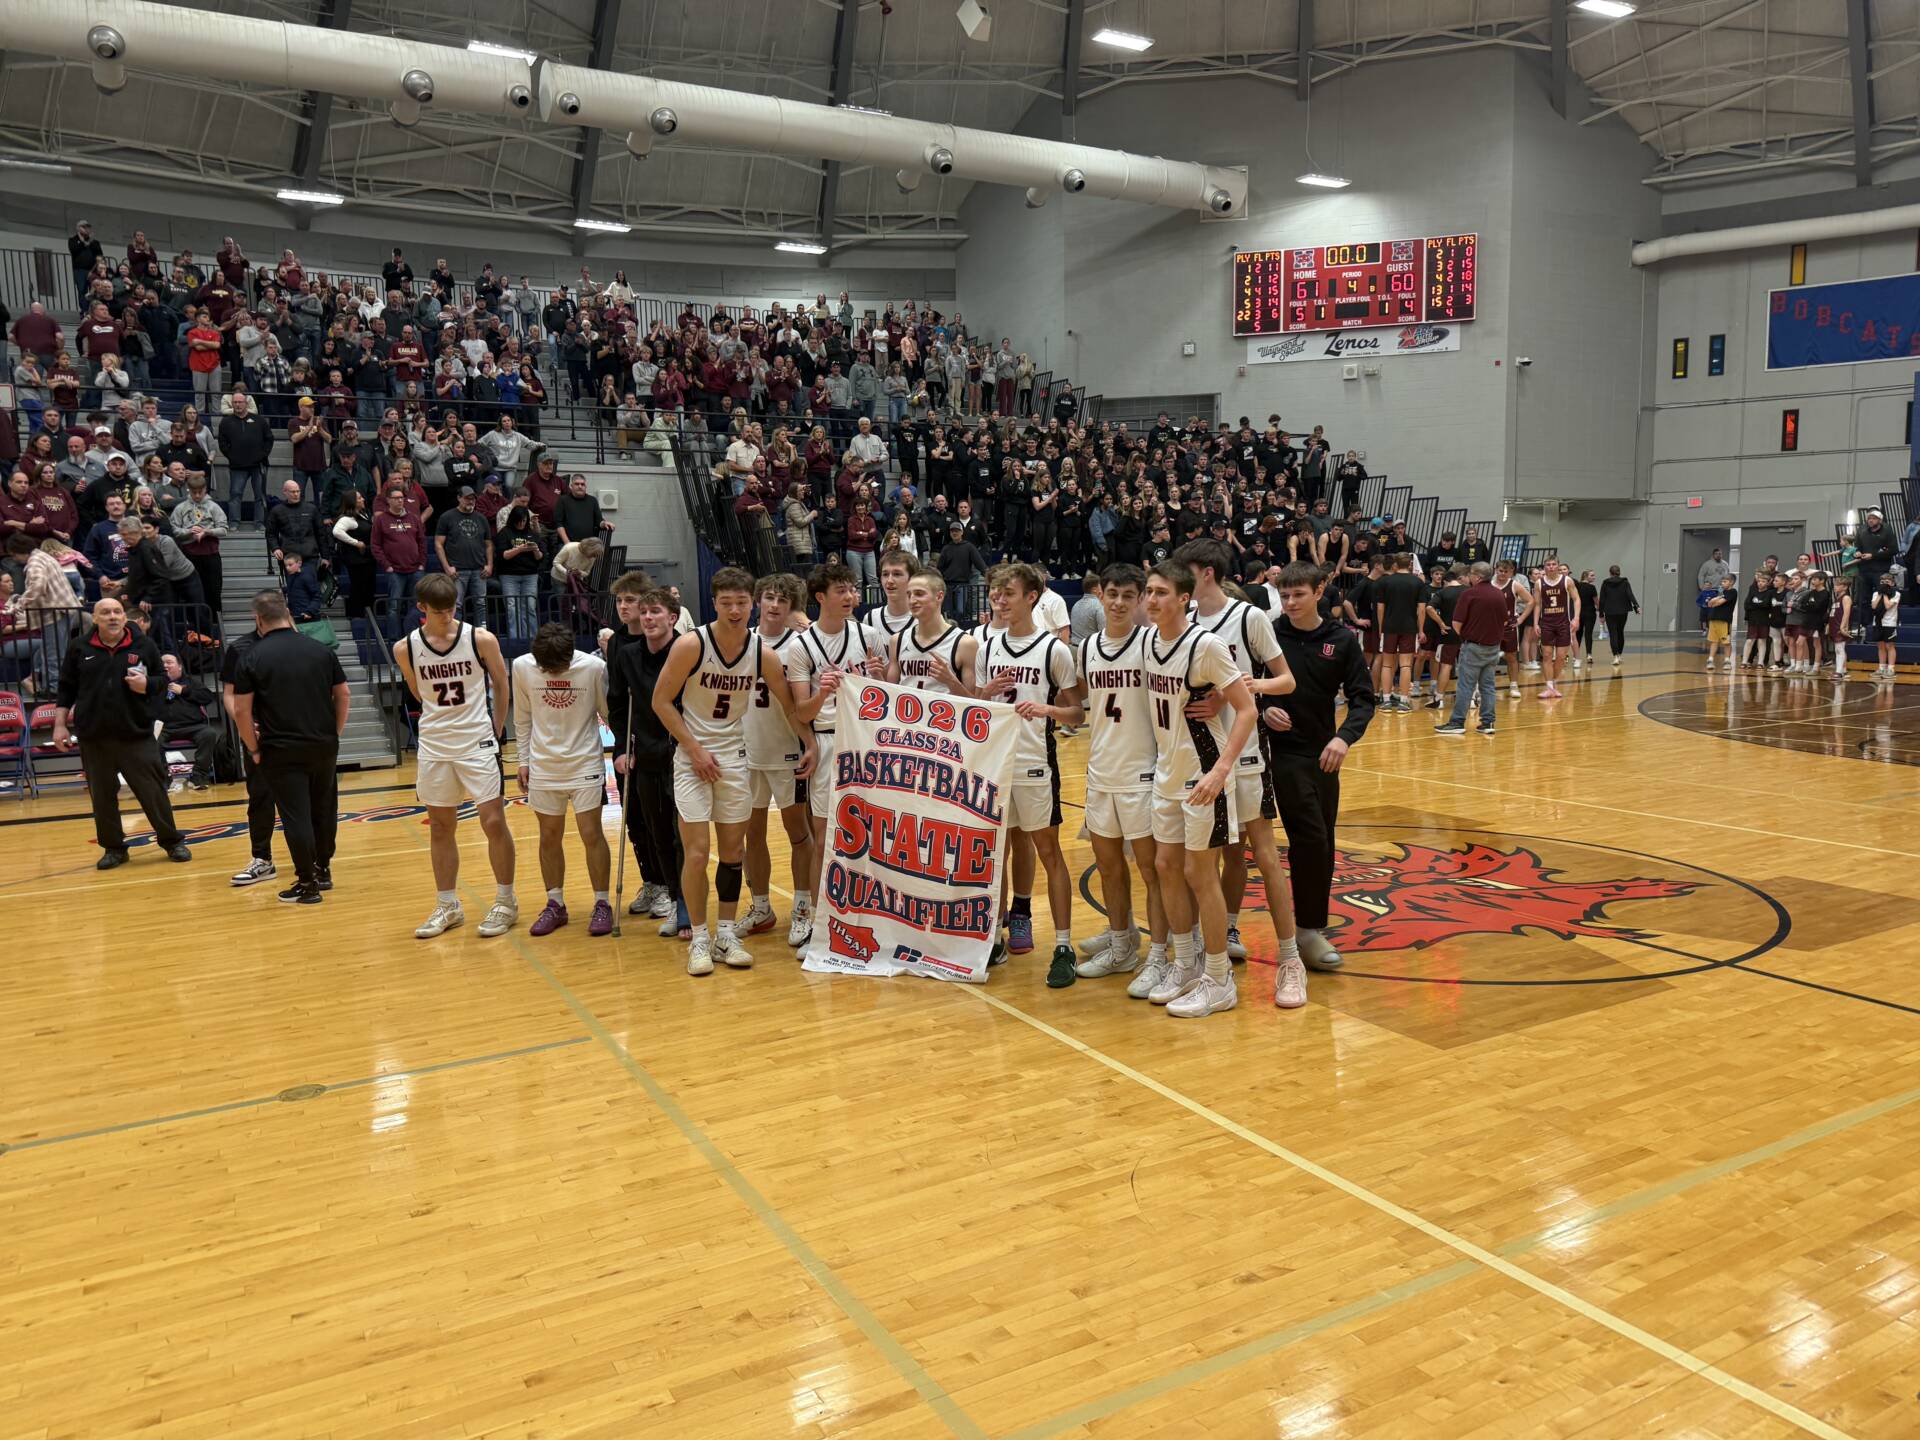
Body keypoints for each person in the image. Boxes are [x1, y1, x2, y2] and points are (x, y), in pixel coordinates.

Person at [652, 566, 813, 976]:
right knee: (697, 853)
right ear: (714, 603)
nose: (736, 609)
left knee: (733, 853)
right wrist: (693, 748)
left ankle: (726, 933)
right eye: (727, 603)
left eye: (742, 602)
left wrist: (809, 742)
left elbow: (788, 706)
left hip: (734, 760)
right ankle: (701, 938)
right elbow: (661, 702)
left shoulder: (763, 653)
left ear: (751, 604)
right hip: (692, 760)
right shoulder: (691, 644)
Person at [1131, 561, 1261, 1017]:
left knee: (1199, 874)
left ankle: (1220, 977)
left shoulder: (1205, 646)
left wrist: (1222, 770)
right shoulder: (1146, 640)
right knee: (1166, 865)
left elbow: (1246, 709)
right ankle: (1184, 963)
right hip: (1167, 771)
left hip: (1204, 773)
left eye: (1161, 592)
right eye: (1148, 591)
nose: (1151, 600)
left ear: (1184, 598)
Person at [1176, 538, 1298, 970]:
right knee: (1212, 857)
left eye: (1183, 570)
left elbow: (1285, 681)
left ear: (1206, 572)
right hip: (1196, 759)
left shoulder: (1248, 617)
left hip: (1244, 754)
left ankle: (1288, 957)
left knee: (1261, 854)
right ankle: (1214, 933)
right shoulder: (1184, 619)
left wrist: (1241, 692)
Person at [963, 562, 1083, 986]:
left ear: (1031, 596)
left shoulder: (1054, 649)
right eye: (995, 592)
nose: (999, 599)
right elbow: (975, 708)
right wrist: (984, 693)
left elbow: (1077, 709)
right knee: (995, 856)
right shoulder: (985, 646)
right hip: (995, 766)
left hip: (1035, 763)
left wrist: (1049, 710)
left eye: (1007, 592)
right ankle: (992, 937)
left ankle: (1064, 945)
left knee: (1049, 852)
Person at [393, 572, 518, 939]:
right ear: (421, 609)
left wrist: (496, 727)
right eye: (439, 611)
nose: (447, 616)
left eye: (451, 610)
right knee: (442, 827)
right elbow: (418, 693)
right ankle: (448, 905)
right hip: (435, 744)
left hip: (477, 739)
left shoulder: (480, 638)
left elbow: (501, 681)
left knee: (494, 822)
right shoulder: (406, 648)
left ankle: (506, 901)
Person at [1070, 566, 1169, 985]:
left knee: (1152, 871)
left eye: (1130, 596)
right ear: (1100, 594)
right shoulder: (1088, 646)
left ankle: (1162, 954)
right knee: (1108, 867)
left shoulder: (1151, 643)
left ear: (1142, 600)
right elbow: (1076, 698)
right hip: (1100, 771)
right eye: (1112, 594)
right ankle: (1122, 941)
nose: (1119, 603)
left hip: (1142, 773)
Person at [784, 560, 885, 940]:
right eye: (841, 590)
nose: (850, 596)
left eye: (853, 589)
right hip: (827, 739)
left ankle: (866, 913)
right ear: (820, 597)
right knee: (825, 834)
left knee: (869, 833)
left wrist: (875, 679)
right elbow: (801, 712)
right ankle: (815, 919)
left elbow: (885, 697)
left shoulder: (869, 636)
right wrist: (822, 691)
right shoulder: (802, 647)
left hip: (867, 741)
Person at [50, 596, 192, 868]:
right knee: (102, 797)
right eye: (106, 612)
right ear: (95, 618)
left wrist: (146, 685)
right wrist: (59, 724)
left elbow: (163, 681)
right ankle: (114, 848)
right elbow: (66, 688)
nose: (112, 616)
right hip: (94, 737)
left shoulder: (144, 645)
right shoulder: (79, 647)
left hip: (135, 734)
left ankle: (172, 841)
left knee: (153, 793)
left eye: (117, 611)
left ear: (125, 617)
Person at [231, 590, 349, 904]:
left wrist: (253, 748)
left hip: (280, 748)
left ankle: (307, 885)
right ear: (288, 615)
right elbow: (344, 694)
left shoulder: (252, 656)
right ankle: (323, 870)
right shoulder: (321, 649)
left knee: (296, 816)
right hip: (323, 744)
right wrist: (334, 732)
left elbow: (241, 710)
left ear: (258, 619)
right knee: (324, 810)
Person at [510, 623, 614, 937]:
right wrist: (523, 761)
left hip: (584, 762)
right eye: (548, 668)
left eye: (559, 667)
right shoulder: (521, 667)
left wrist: (624, 749)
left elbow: (607, 712)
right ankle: (555, 904)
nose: (553, 673)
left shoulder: (594, 668)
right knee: (548, 836)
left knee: (591, 833)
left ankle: (602, 903)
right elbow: (522, 717)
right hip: (543, 766)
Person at [606, 575, 689, 937]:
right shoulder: (625, 655)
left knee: (681, 833)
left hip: (684, 754)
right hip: (646, 755)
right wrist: (622, 749)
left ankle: (687, 903)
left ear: (672, 617)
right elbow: (618, 705)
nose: (647, 618)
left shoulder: (687, 650)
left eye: (655, 611)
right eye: (644, 612)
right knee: (656, 832)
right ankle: (672, 897)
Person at [741, 573, 817, 948]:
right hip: (746, 753)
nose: (774, 605)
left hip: (788, 751)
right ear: (758, 600)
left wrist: (808, 743)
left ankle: (803, 908)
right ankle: (761, 908)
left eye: (782, 600)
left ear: (791, 607)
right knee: (750, 834)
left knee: (798, 832)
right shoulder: (738, 641)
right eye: (769, 597)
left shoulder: (800, 646)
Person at [1434, 563, 1505, 737]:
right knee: (1488, 686)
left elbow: (1456, 623)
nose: (1469, 577)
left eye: (1471, 574)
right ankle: (1487, 722)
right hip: (1493, 647)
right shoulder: (1498, 594)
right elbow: (1504, 621)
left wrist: (1466, 637)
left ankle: (1457, 722)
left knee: (1465, 685)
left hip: (1473, 646)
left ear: (1478, 577)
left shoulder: (1469, 594)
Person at [156, 651, 222, 792]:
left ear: (180, 666)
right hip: (165, 728)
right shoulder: (155, 683)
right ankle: (164, 779)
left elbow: (207, 697)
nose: (165, 665)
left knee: (209, 733)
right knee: (152, 740)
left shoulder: (191, 682)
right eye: (162, 663)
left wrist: (184, 691)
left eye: (169, 662)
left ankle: (198, 776)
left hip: (193, 726)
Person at [434, 486, 494, 626]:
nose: (470, 501)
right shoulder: (447, 517)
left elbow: (489, 544)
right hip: (457, 569)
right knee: (456, 604)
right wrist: (447, 567)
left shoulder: (481, 518)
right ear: (459, 498)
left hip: (479, 569)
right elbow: (438, 544)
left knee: (481, 604)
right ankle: (457, 633)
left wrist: (489, 565)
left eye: (472, 498)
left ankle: (481, 634)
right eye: (467, 498)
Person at [1534, 558, 1578, 698]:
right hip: (1546, 623)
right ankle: (1549, 687)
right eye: (1548, 565)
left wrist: (1576, 618)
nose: (1551, 567)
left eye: (1554, 564)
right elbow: (1537, 604)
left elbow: (1576, 599)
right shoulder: (1539, 583)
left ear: (1558, 566)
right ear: (1545, 567)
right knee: (1546, 655)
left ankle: (1554, 682)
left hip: (1563, 623)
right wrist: (1536, 623)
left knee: (1560, 657)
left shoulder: (1567, 581)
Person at [1492, 558, 1531, 700]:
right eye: (1500, 571)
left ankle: (1514, 686)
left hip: (1509, 626)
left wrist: (1521, 619)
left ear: (1511, 572)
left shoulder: (1514, 585)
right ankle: (1487, 686)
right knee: (1488, 658)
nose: (1502, 574)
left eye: (1506, 571)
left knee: (1511, 657)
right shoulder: (1489, 584)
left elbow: (1531, 601)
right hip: (1491, 626)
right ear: (1495, 570)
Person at [1598, 565, 1639, 667]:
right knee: (1620, 632)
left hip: (1610, 611)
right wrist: (1636, 606)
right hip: (1623, 611)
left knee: (1613, 633)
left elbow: (1602, 599)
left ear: (1610, 573)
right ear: (1619, 572)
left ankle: (1615, 656)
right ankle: (1620, 655)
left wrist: (1601, 613)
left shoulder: (1605, 583)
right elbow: (1630, 594)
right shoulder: (1625, 582)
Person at [1704, 573, 1737, 672]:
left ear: (1731, 582)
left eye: (1725, 581)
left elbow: (1718, 603)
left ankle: (1727, 661)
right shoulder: (1720, 592)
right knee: (1713, 641)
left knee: (1726, 642)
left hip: (1724, 620)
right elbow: (1709, 604)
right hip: (1713, 619)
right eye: (1722, 581)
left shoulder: (1732, 592)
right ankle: (1710, 660)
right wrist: (1715, 599)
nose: (1722, 583)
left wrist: (1715, 600)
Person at [1870, 575, 1900, 679]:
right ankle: (1882, 668)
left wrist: (1885, 594)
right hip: (1878, 622)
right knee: (1880, 646)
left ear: (1892, 583)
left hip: (1889, 623)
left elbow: (1887, 606)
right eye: (1882, 582)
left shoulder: (1896, 594)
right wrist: (1880, 594)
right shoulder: (1875, 593)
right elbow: (1874, 606)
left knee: (1889, 646)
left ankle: (1891, 669)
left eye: (1886, 582)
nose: (1884, 584)